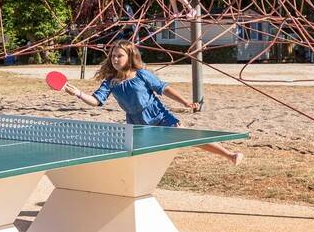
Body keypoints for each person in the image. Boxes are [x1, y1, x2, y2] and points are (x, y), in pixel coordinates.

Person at [60, 40, 243, 164]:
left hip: (158, 117)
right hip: (136, 124)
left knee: (188, 138)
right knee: (138, 159)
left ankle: (230, 155)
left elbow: (165, 89)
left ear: (129, 57)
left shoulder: (141, 75)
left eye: (119, 56)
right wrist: (78, 93)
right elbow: (96, 101)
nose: (115, 59)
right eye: (113, 56)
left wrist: (185, 102)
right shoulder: (110, 82)